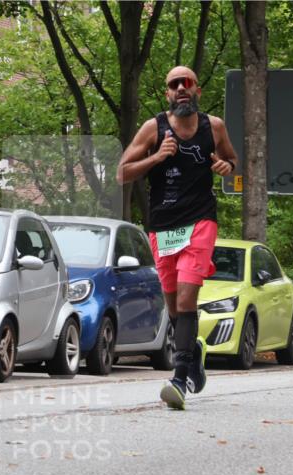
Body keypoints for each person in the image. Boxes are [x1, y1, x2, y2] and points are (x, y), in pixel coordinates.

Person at [117, 66, 238, 409]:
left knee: (186, 301)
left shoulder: (213, 127)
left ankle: (180, 376)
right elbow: (121, 173)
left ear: (197, 89)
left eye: (188, 83)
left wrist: (227, 167)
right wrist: (158, 156)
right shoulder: (153, 128)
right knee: (174, 307)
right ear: (167, 93)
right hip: (163, 227)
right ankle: (193, 349)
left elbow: (232, 159)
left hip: (201, 222)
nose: (182, 88)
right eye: (175, 84)